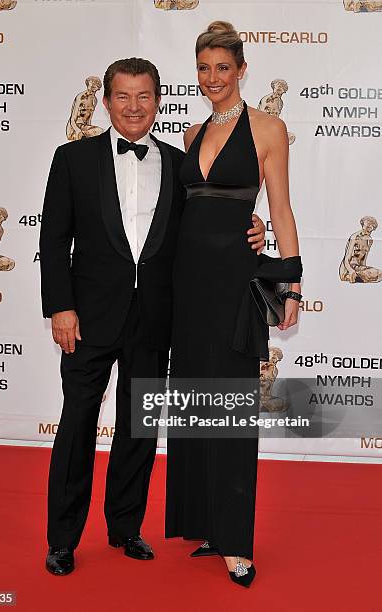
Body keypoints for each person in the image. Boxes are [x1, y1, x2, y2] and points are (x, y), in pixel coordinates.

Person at [39, 56, 266, 576]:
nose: (134, 106)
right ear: (106, 101)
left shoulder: (176, 162)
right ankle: (63, 538)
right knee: (76, 425)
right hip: (88, 319)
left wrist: (248, 223)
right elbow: (53, 241)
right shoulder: (71, 159)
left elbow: (207, 218)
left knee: (138, 430)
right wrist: (61, 306)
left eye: (144, 96)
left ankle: (125, 528)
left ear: (158, 101)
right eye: (123, 96)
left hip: (156, 318)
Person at [165, 21, 302, 587]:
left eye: (223, 67)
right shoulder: (192, 131)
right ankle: (204, 523)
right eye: (203, 68)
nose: (212, 77)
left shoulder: (269, 128)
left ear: (242, 70)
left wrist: (290, 282)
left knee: (234, 411)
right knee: (195, 404)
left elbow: (282, 208)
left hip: (234, 287)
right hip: (187, 287)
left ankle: (236, 541)